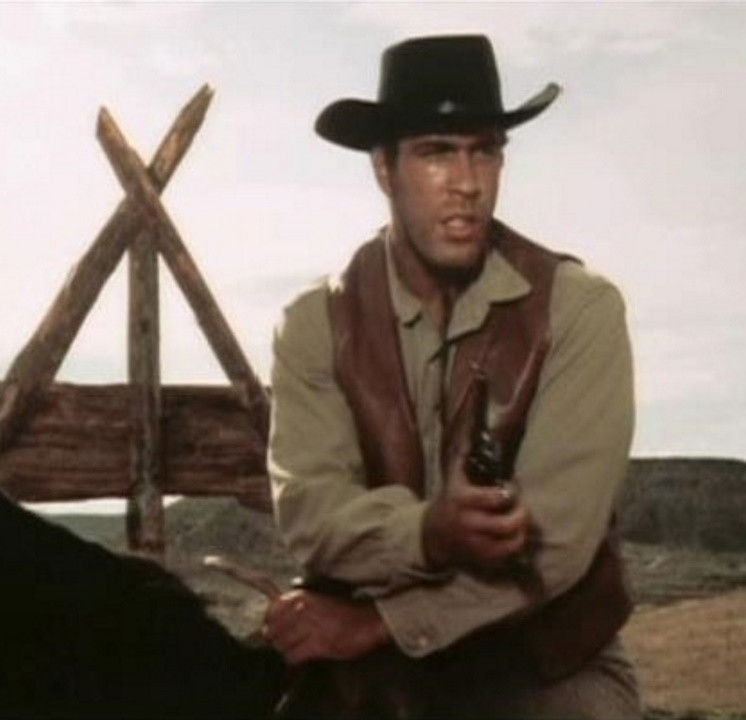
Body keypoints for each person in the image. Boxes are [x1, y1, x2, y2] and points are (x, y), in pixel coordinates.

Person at [262, 35, 642, 718]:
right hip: (360, 658)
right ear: (384, 168)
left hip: (543, 657)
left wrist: (379, 623)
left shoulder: (578, 309)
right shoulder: (316, 323)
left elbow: (556, 545)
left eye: (485, 151)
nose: (467, 182)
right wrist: (428, 533)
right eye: (437, 151)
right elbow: (312, 514)